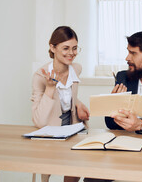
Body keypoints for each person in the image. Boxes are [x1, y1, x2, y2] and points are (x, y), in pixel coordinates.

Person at [31, 26, 90, 182]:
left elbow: (66, 95)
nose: (71, 53)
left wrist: (77, 103)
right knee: (49, 168)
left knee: (75, 166)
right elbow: (39, 121)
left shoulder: (76, 69)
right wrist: (50, 89)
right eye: (65, 48)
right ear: (53, 47)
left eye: (75, 48)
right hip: (51, 130)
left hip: (74, 125)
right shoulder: (40, 76)